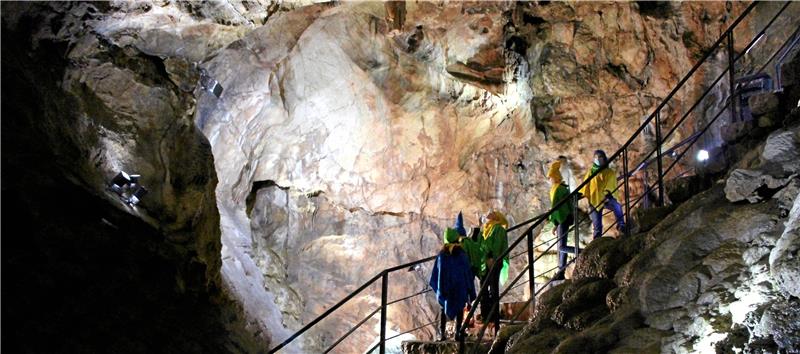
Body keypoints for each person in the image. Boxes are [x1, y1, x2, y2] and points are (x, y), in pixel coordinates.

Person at [429, 228, 476, 341]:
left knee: (443, 308)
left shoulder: (442, 255)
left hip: (446, 289)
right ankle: (458, 332)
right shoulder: (462, 255)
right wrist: (470, 289)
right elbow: (467, 272)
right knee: (460, 308)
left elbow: (436, 275)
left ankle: (442, 334)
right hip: (459, 288)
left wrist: (439, 289)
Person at [579, 150, 625, 239]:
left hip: (607, 199)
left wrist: (607, 194)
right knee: (597, 226)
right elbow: (585, 185)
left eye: (600, 157)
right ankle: (597, 242)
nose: (598, 159)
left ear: (604, 158)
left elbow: (611, 184)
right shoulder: (591, 172)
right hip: (595, 200)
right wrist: (580, 194)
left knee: (617, 206)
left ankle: (621, 225)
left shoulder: (609, 172)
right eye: (596, 157)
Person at [479, 211, 508, 337]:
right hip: (485, 263)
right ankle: (486, 314)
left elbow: (497, 245)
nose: (488, 214)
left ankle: (493, 315)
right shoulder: (485, 229)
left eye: (492, 213)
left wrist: (493, 258)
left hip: (493, 262)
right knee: (484, 288)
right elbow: (481, 245)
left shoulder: (498, 229)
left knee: (492, 288)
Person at [548, 159, 574, 280]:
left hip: (563, 218)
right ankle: (561, 271)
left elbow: (556, 207)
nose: (550, 180)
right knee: (561, 246)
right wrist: (555, 223)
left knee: (561, 247)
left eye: (551, 177)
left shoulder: (559, 189)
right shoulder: (558, 188)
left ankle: (581, 252)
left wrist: (555, 222)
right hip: (562, 219)